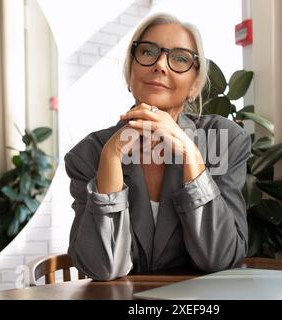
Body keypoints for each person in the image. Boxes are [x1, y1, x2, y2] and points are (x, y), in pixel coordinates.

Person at [64, 13, 251, 281]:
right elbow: (102, 268)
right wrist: (111, 157)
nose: (160, 64)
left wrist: (191, 158)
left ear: (195, 85)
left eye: (180, 58)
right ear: (130, 72)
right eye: (148, 52)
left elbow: (220, 258)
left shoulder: (225, 140)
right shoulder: (88, 154)